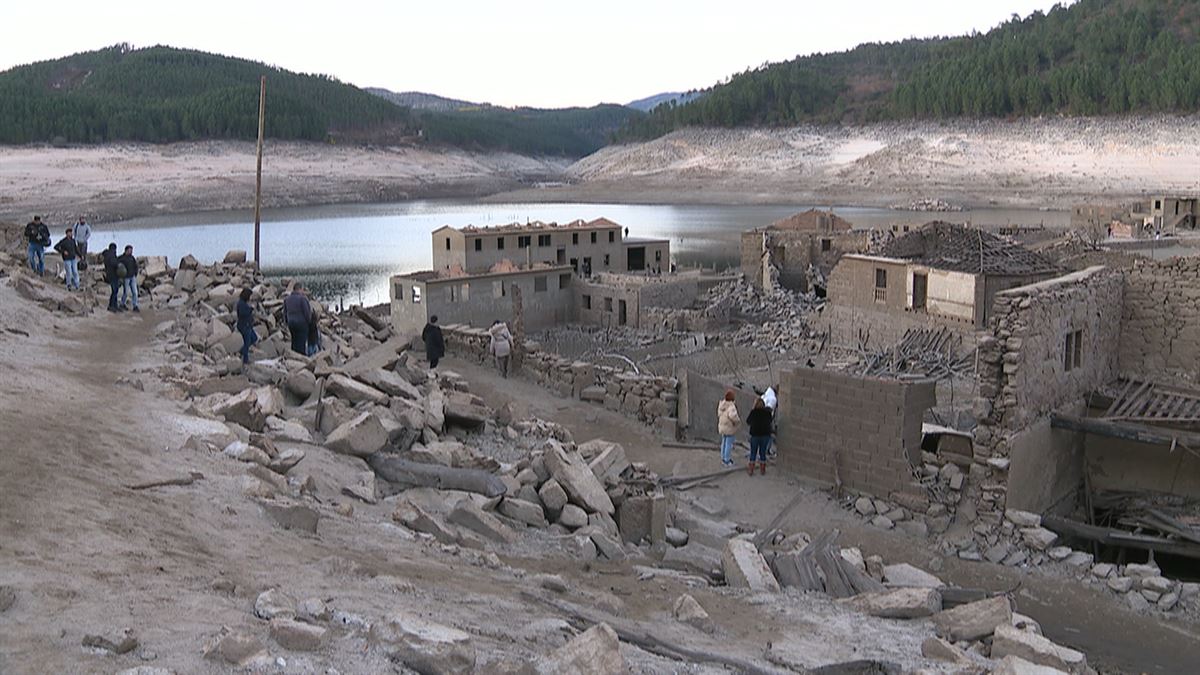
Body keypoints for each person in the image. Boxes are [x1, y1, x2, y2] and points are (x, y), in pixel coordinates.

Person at [284, 283, 313, 355]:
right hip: (301, 323)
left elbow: (285, 312)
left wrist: (287, 322)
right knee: (301, 341)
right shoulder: (302, 299)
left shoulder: (287, 299)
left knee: (294, 340)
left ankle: (293, 355)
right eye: (302, 289)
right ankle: (301, 357)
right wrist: (309, 322)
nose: (303, 291)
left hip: (291, 323)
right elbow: (306, 312)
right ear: (299, 289)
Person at [746, 398, 773, 476]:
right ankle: (762, 470)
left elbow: (748, 421)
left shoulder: (753, 412)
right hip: (765, 435)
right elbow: (770, 421)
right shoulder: (767, 413)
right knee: (763, 452)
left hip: (755, 435)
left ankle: (751, 470)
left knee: (753, 452)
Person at [717, 390, 740, 467]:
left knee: (724, 443)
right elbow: (733, 416)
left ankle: (723, 457)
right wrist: (737, 422)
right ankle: (727, 460)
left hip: (722, 427)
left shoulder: (722, 405)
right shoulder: (731, 406)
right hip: (729, 428)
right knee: (729, 444)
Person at [236, 288, 257, 364]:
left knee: (254, 338)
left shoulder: (243, 303)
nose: (251, 297)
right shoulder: (241, 303)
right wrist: (251, 309)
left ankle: (242, 351)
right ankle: (245, 360)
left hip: (248, 325)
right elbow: (242, 313)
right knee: (247, 342)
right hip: (244, 326)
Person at [117, 245, 140, 312]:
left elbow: (136, 265)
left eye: (131, 250)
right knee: (126, 292)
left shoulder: (132, 258)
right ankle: (122, 303)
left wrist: (136, 273)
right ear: (126, 250)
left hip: (132, 277)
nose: (131, 252)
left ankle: (135, 305)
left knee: (135, 292)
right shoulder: (122, 258)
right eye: (130, 250)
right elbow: (118, 266)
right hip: (126, 278)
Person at [101, 243, 121, 312]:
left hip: (109, 274)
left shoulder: (106, 255)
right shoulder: (112, 255)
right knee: (115, 291)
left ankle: (113, 305)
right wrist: (118, 264)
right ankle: (112, 306)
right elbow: (113, 263)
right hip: (113, 275)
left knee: (114, 291)